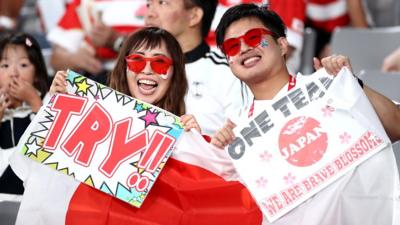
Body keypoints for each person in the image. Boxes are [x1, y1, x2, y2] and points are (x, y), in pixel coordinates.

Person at [13, 27, 261, 225]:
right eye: (137, 61)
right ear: (124, 67)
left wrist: (205, 144)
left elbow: (222, 191)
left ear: (174, 74)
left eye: (160, 63)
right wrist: (54, 104)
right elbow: (26, 168)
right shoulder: (83, 114)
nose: (148, 70)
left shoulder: (186, 134)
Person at [211, 3, 399, 224]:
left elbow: (397, 125)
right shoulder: (236, 135)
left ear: (282, 45)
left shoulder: (330, 84)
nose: (243, 49)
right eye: (232, 46)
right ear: (229, 62)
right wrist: (215, 149)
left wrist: (353, 84)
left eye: (253, 37)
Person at [144, 0, 250, 136]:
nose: (149, 14)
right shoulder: (134, 68)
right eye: (148, 4)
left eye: (163, 3)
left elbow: (243, 140)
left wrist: (200, 142)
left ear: (194, 16)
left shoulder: (229, 72)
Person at [47, 0, 143, 84]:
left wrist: (118, 41)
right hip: (98, 81)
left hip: (142, 80)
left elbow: (156, 46)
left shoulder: (154, 4)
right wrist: (75, 59)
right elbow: (56, 60)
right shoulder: (86, 3)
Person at [0, 32, 49, 195]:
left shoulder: (48, 101)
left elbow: (50, 148)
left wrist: (35, 103)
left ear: (37, 75)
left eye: (23, 65)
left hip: (34, 195)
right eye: (5, 66)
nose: (14, 73)